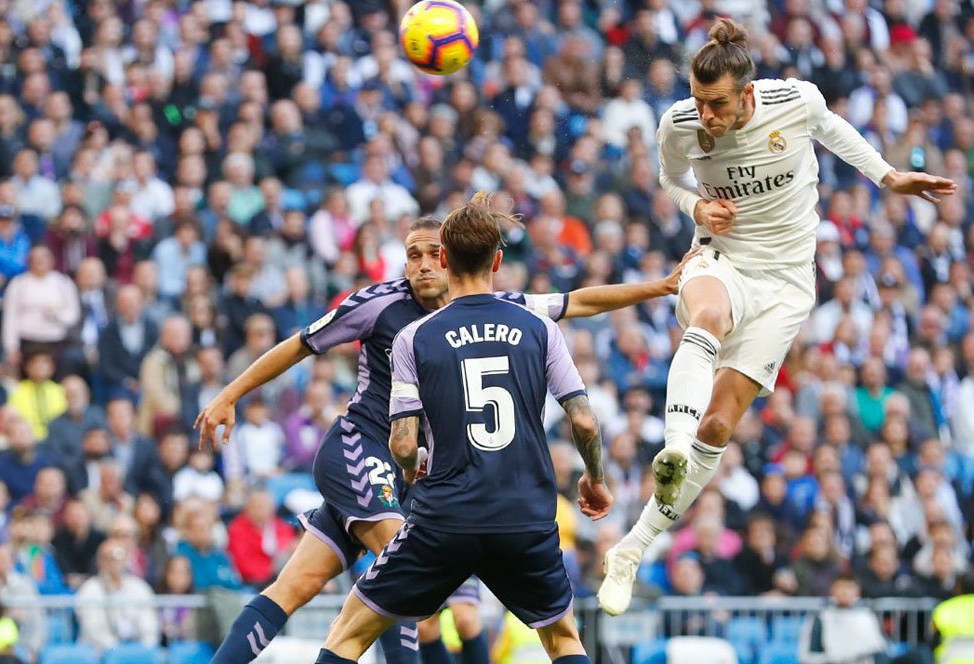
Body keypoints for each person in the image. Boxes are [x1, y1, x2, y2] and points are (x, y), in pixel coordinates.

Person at [197, 213, 687, 664]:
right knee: (405, 582)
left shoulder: (494, 309)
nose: (423, 265)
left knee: (296, 585)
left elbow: (577, 301)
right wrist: (232, 392)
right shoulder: (379, 304)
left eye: (433, 253)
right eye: (413, 255)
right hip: (363, 447)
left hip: (426, 475)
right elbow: (301, 344)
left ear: (450, 259)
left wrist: (660, 288)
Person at [597, 17, 957, 616]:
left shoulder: (795, 102)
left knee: (719, 428)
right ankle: (674, 448)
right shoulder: (680, 125)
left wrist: (890, 178)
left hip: (786, 283)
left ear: (747, 93)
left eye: (716, 104)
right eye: (697, 100)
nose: (705, 115)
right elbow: (669, 176)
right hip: (721, 258)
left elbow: (838, 134)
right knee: (705, 316)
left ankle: (631, 550)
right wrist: (695, 206)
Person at [310, 191, 612, 664]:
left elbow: (403, 442)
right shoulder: (539, 328)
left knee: (348, 634)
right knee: (563, 640)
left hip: (445, 517)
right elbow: (584, 421)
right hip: (525, 516)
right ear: (496, 259)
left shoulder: (416, 336)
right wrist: (595, 477)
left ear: (445, 258)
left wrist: (411, 474)